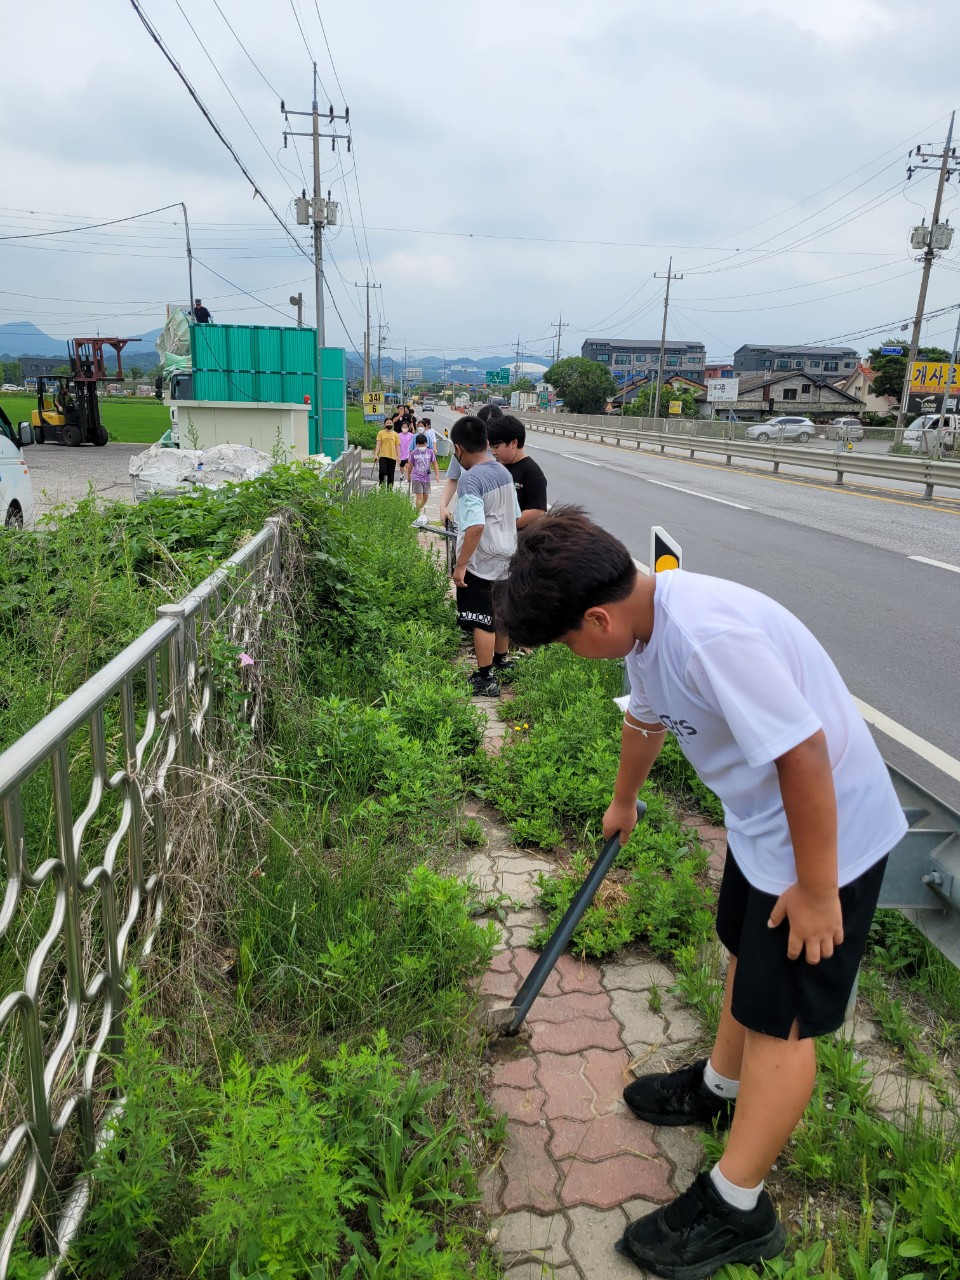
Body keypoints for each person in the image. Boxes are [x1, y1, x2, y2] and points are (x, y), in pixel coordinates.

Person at [491, 507, 907, 1280]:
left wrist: (818, 890)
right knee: (743, 960)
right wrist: (624, 801)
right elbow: (644, 722)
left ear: (597, 616)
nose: (577, 656)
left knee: (782, 1019)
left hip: (825, 842)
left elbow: (806, 757)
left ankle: (737, 1206)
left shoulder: (710, 636)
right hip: (762, 827)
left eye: (570, 642)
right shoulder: (645, 624)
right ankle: (719, 1087)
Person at [449, 416, 520, 697]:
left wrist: (461, 565)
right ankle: (502, 660)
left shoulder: (471, 480)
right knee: (501, 613)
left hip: (483, 561)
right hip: (507, 554)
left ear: (458, 449)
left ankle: (485, 677)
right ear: (487, 444)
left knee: (482, 619)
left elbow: (476, 526)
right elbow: (514, 516)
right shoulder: (504, 472)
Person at [439, 402, 502, 523]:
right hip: (464, 521)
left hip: (495, 524)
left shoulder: (506, 453)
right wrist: (443, 506)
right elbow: (453, 478)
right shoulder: (463, 449)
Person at [486, 415, 547, 528]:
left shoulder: (532, 472)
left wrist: (507, 526)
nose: (493, 452)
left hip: (520, 539)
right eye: (491, 448)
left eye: (497, 447)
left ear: (513, 443)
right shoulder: (497, 467)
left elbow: (537, 510)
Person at [408, 432, 440, 526]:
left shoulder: (430, 452)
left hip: (426, 478)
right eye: (419, 444)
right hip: (416, 477)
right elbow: (410, 465)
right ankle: (419, 514)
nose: (422, 446)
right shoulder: (414, 453)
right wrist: (408, 475)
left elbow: (434, 463)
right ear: (416, 444)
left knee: (426, 496)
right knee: (419, 496)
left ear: (426, 444)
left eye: (423, 444)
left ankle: (419, 508)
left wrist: (437, 475)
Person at [373, 416, 399, 487]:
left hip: (392, 456)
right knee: (382, 471)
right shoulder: (381, 433)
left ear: (392, 424)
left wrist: (398, 456)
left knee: (391, 474)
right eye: (387, 423)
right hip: (383, 455)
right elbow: (378, 444)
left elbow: (397, 446)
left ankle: (389, 489)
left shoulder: (395, 434)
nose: (389, 424)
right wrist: (376, 455)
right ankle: (382, 484)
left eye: (390, 423)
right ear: (385, 424)